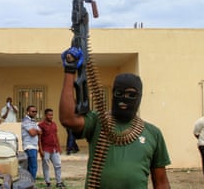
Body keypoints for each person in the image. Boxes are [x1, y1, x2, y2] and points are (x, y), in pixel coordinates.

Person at [59, 47, 171, 189]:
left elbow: (161, 181)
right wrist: (70, 70)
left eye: (131, 95)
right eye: (119, 93)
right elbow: (68, 119)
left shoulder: (153, 133)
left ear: (140, 97)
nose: (124, 99)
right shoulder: (97, 120)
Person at [38, 108, 65, 188]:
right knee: (46, 166)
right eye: (49, 115)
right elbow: (39, 139)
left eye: (52, 115)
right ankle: (48, 182)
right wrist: (40, 150)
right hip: (45, 149)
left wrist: (59, 147)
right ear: (45, 115)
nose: (51, 116)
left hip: (54, 148)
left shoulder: (54, 124)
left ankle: (59, 182)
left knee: (58, 165)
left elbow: (56, 136)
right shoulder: (41, 125)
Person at [21, 105, 41, 181]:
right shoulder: (26, 121)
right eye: (33, 111)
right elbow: (32, 133)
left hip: (34, 146)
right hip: (29, 146)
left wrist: (36, 131)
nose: (34, 113)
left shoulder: (33, 121)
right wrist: (37, 131)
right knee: (33, 167)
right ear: (28, 112)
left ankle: (29, 184)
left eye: (35, 111)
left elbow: (40, 132)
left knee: (31, 167)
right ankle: (31, 183)